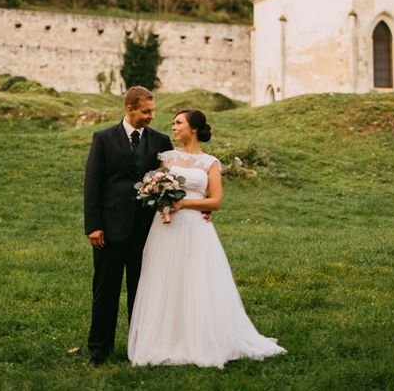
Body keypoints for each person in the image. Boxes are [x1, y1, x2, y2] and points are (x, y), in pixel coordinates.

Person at [127, 109, 286, 368]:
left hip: (196, 228)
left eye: (179, 123)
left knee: (197, 280)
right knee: (166, 278)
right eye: (174, 123)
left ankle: (201, 338)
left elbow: (215, 201)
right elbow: (157, 186)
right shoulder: (166, 158)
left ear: (193, 128)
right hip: (167, 227)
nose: (174, 127)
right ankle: (164, 339)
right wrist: (160, 198)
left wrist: (184, 203)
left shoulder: (210, 162)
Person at [83, 86, 173, 367]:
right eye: (146, 111)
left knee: (141, 291)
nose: (151, 116)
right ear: (130, 108)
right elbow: (92, 185)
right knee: (106, 289)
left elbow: (172, 181)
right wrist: (93, 226)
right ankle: (100, 349)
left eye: (153, 110)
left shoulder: (161, 140)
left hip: (146, 230)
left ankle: (139, 346)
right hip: (109, 229)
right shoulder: (104, 138)